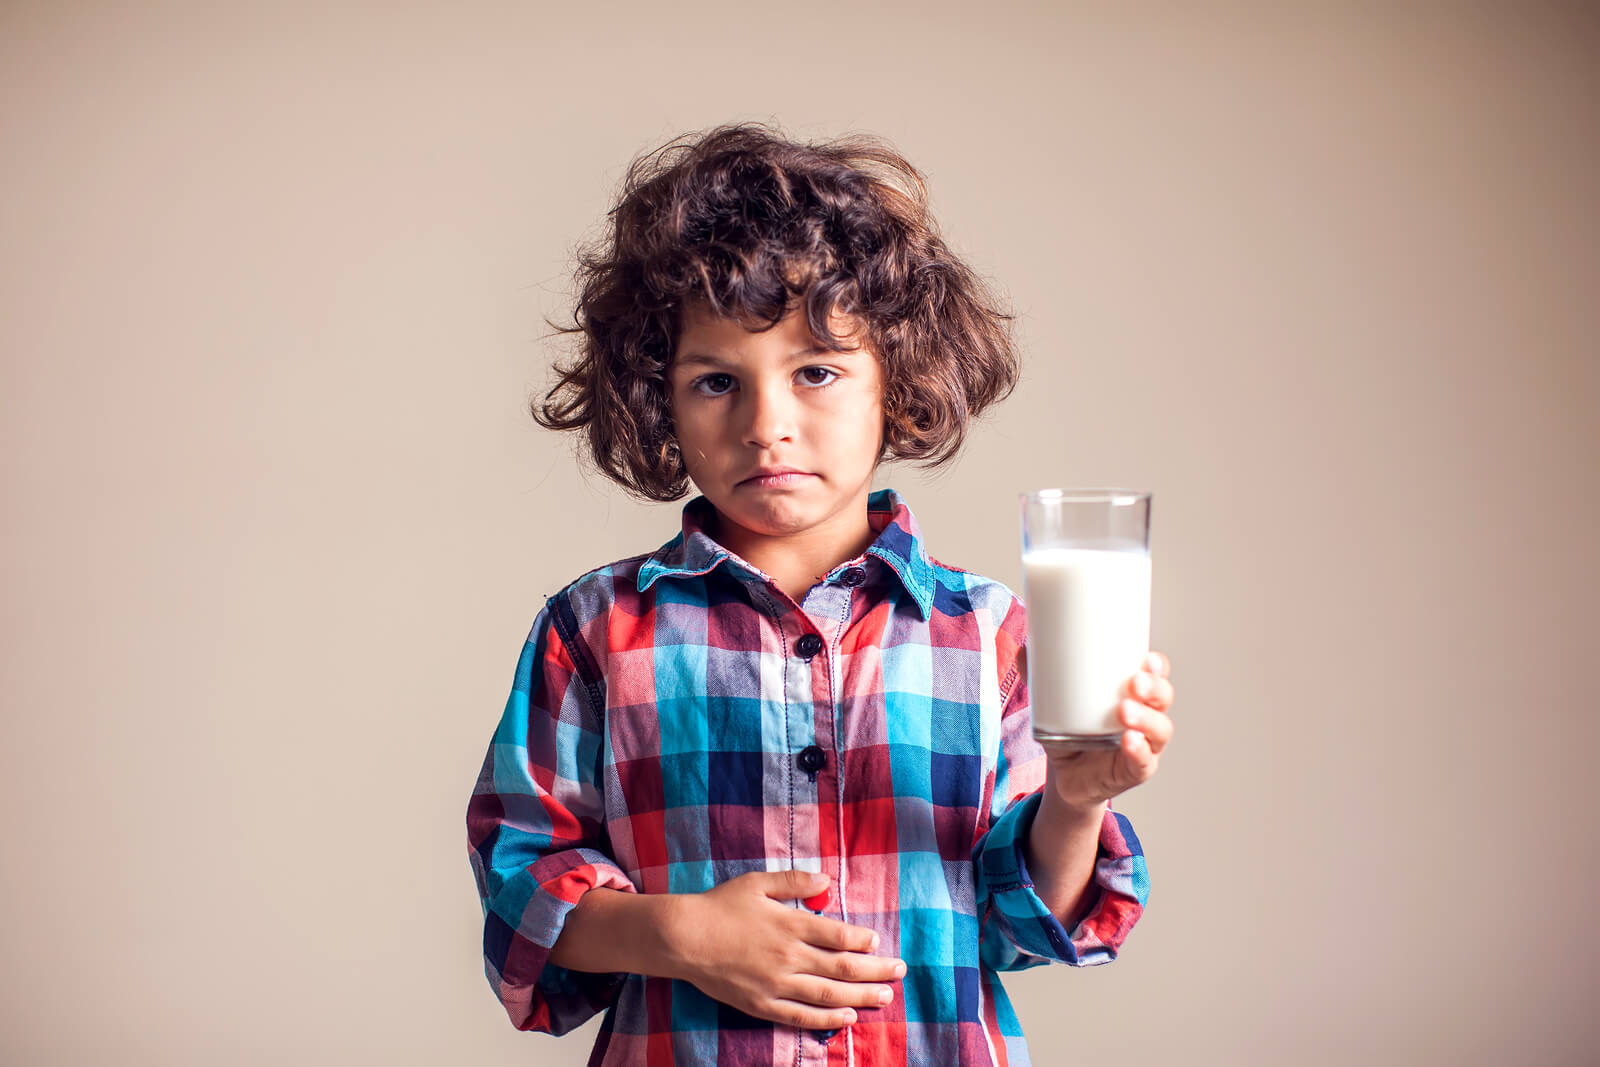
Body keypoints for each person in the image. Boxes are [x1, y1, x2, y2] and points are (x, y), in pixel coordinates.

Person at [465, 121, 1177, 1066]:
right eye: (717, 380)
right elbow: (520, 878)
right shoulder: (595, 629)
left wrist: (1078, 803)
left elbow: (1017, 919)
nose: (768, 425)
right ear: (660, 402)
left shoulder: (988, 632)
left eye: (817, 372)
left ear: (898, 384)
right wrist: (678, 936)